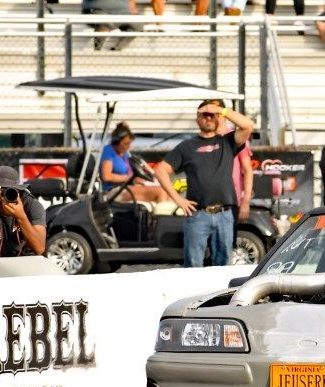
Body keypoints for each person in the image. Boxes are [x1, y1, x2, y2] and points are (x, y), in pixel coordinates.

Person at [154, 98, 255, 267]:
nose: (208, 118)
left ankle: (220, 295)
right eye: (204, 115)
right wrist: (178, 199)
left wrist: (221, 110)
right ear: (197, 119)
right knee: (193, 265)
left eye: (212, 115)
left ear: (218, 118)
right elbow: (160, 170)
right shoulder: (186, 146)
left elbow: (247, 125)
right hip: (198, 215)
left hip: (224, 214)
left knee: (223, 266)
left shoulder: (227, 142)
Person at [99, 122, 166, 203]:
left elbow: (131, 171)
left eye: (129, 144)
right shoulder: (108, 151)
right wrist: (130, 178)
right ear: (117, 142)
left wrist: (138, 179)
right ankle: (160, 215)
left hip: (128, 186)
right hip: (115, 191)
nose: (128, 147)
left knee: (168, 192)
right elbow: (107, 176)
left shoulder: (124, 152)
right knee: (161, 192)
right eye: (125, 144)